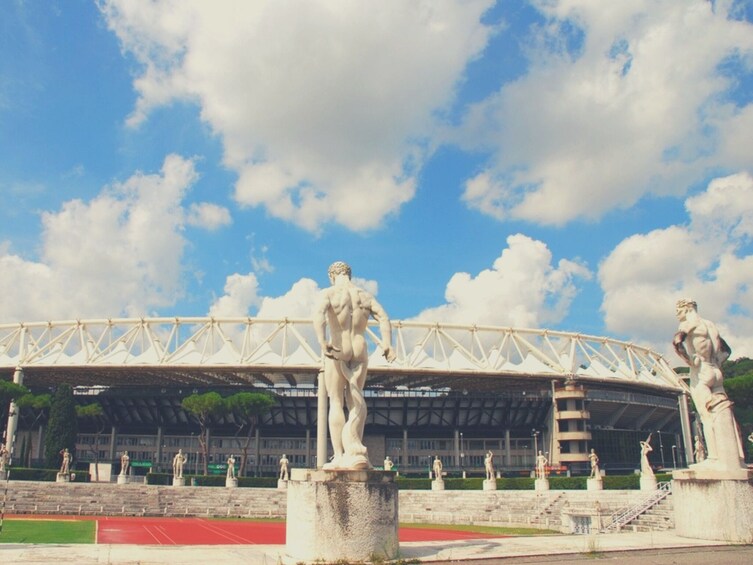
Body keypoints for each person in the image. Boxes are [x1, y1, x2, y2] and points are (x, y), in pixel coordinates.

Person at [313, 261, 396, 470]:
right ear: (349, 274)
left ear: (332, 275)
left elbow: (319, 315)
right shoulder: (364, 296)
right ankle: (356, 452)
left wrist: (322, 341)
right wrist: (387, 344)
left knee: (335, 401)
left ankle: (340, 455)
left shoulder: (329, 293)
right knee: (355, 401)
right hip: (360, 348)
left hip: (339, 348)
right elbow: (384, 317)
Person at [673, 299, 745, 470]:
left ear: (687, 308)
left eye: (678, 310)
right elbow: (726, 350)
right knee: (725, 414)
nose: (677, 314)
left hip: (702, 372)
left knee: (706, 417)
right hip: (715, 370)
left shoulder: (690, 323)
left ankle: (714, 458)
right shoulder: (710, 325)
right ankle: (737, 457)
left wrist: (690, 361)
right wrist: (717, 363)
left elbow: (677, 342)